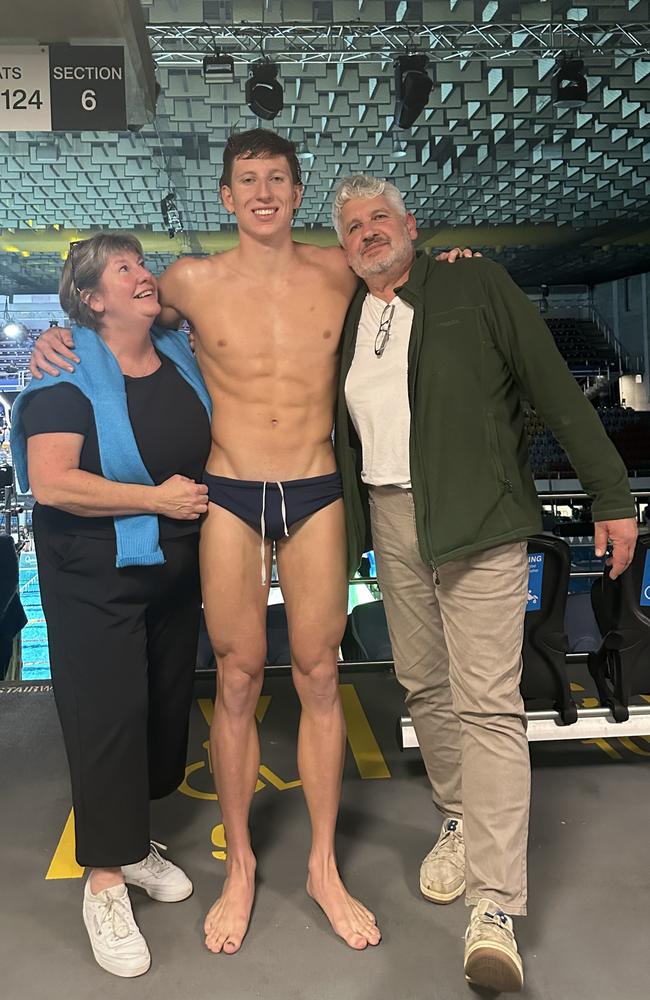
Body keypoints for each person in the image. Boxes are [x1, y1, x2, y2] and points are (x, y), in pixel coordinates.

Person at [331, 175, 638, 992]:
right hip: (392, 520)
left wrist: (610, 495)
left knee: (487, 703)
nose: (367, 233)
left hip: (480, 520)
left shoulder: (473, 281)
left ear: (412, 226)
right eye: (352, 226)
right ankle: (461, 819)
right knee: (423, 686)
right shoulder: (348, 317)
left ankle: (495, 904)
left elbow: (551, 387)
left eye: (380, 219)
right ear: (342, 246)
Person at [11, 233, 212, 978]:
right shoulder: (66, 370)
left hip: (170, 571)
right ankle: (102, 879)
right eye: (123, 269)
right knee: (107, 719)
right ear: (92, 300)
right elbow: (52, 482)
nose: (142, 275)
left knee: (162, 716)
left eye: (141, 264)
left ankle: (132, 847)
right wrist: (154, 499)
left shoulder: (179, 357)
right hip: (92, 573)